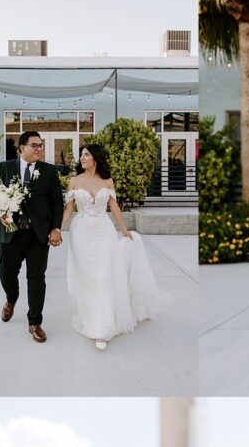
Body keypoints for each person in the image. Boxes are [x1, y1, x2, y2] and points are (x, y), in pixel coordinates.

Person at [61, 144, 172, 349]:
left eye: (86, 154)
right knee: (89, 278)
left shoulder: (107, 180)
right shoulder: (74, 181)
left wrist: (124, 232)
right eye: (81, 155)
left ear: (96, 158)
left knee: (104, 276)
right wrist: (58, 229)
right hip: (81, 233)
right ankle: (92, 318)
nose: (82, 158)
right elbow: (68, 209)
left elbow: (113, 207)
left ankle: (103, 325)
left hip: (104, 232)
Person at [0, 130, 64, 344]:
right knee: (6, 273)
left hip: (37, 235)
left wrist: (56, 228)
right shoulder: (5, 168)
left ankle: (35, 322)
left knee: (36, 278)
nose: (39, 148)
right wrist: (0, 213)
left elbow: (57, 202)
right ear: (21, 147)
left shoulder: (49, 171)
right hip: (10, 233)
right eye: (34, 145)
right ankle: (11, 299)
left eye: (41, 145)